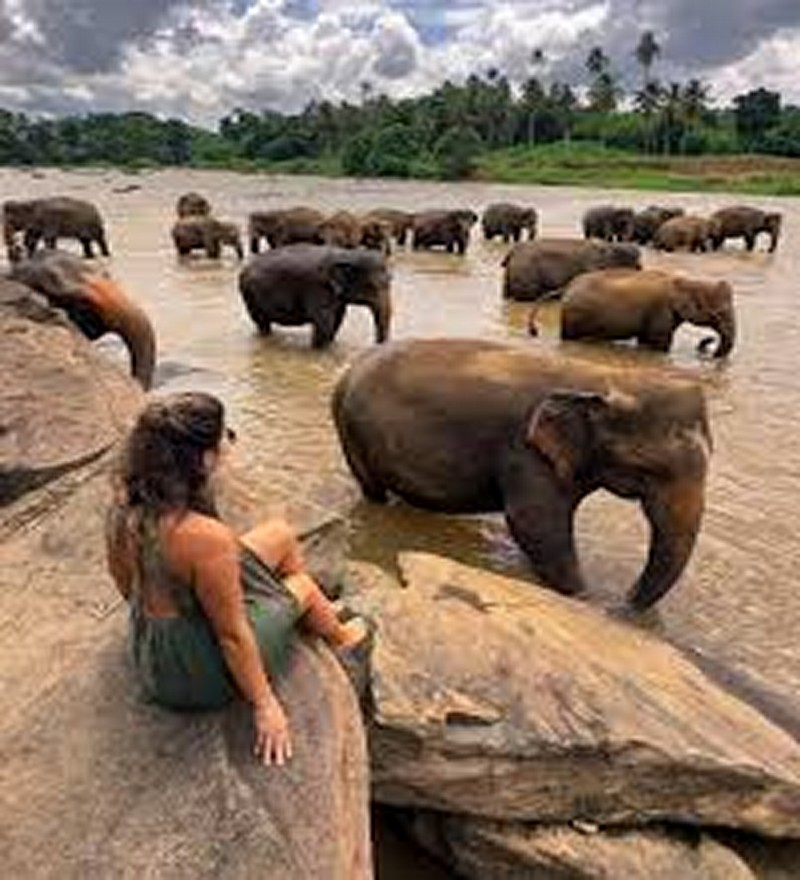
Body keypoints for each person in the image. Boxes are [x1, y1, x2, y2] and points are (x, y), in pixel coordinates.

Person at [105, 391, 367, 766]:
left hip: (156, 640)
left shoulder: (127, 504)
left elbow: (124, 587)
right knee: (306, 589)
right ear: (204, 458)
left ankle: (288, 613)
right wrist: (266, 705)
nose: (228, 441)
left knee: (280, 534)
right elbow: (231, 635)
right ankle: (339, 637)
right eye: (221, 437)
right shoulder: (204, 539)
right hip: (192, 675)